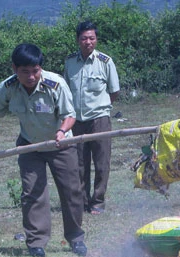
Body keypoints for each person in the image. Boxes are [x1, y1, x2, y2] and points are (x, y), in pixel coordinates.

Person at [0, 43, 87, 257]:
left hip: (61, 144)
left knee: (71, 192)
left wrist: (61, 131)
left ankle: (76, 238)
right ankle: (36, 242)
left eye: (35, 70)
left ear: (40, 68)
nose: (31, 76)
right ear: (14, 69)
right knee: (33, 193)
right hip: (29, 144)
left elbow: (70, 115)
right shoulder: (7, 88)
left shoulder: (55, 84)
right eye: (25, 72)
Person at [64, 21, 120, 215]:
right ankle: (82, 201)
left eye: (91, 38)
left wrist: (101, 107)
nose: (88, 42)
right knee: (79, 164)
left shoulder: (105, 62)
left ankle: (97, 201)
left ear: (96, 40)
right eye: (84, 38)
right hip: (76, 120)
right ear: (78, 40)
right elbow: (65, 91)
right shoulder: (70, 62)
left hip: (99, 119)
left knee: (101, 162)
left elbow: (114, 92)